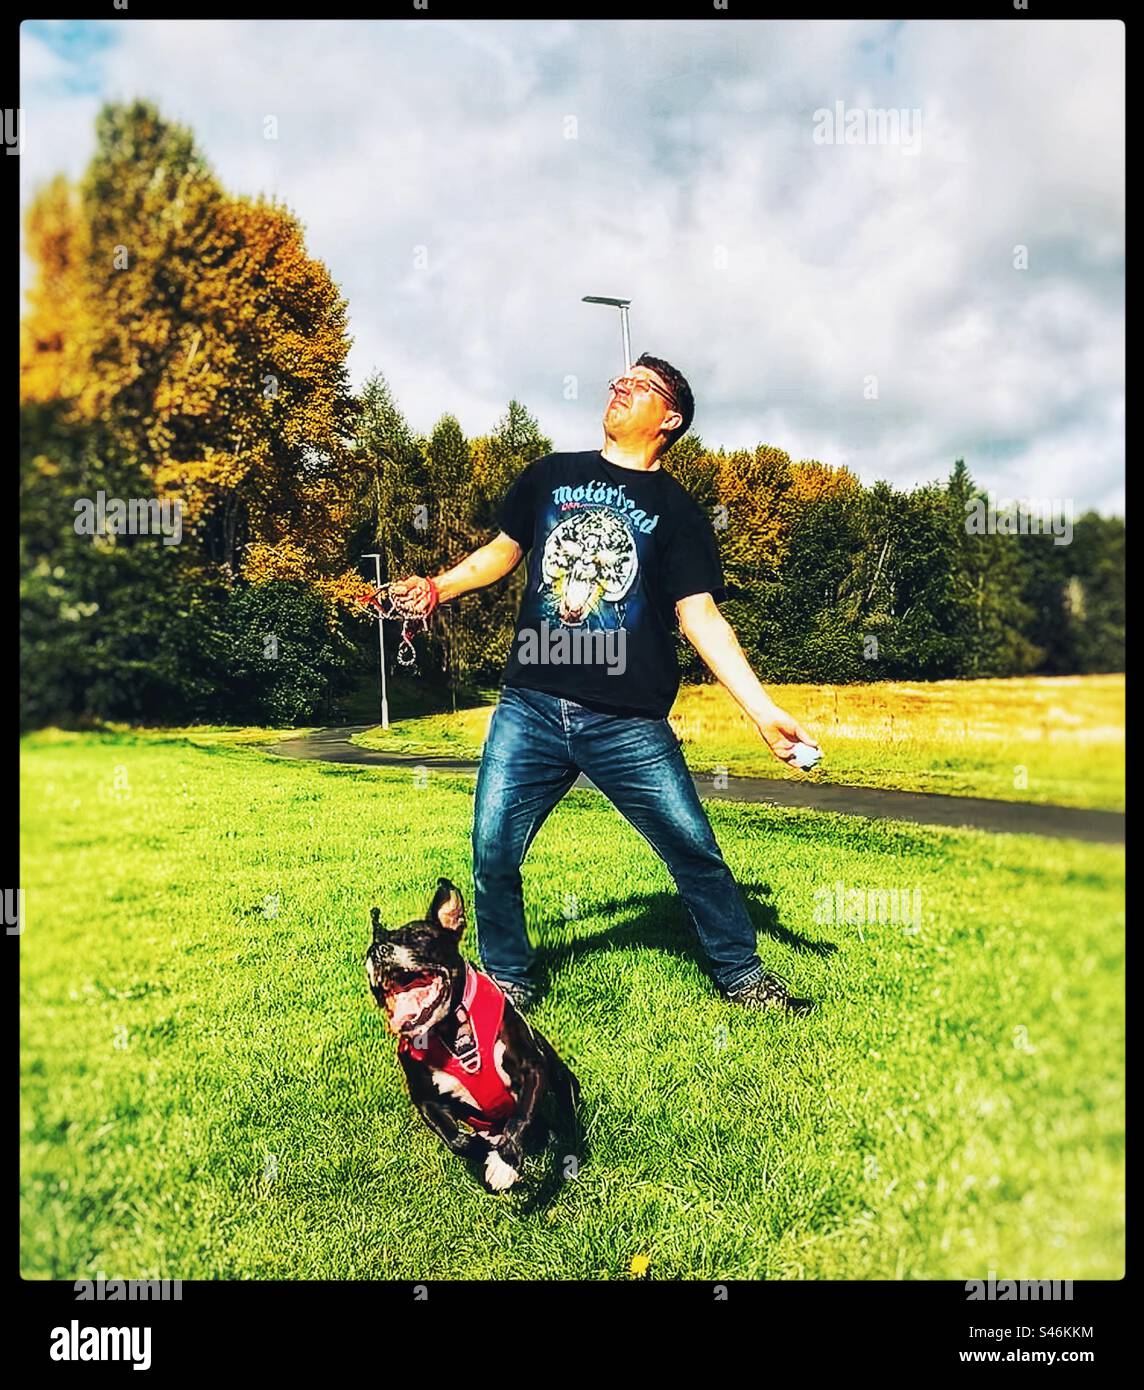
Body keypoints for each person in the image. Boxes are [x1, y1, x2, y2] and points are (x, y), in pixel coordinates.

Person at [392, 354, 820, 1014]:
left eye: (640, 387)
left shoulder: (677, 513)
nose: (620, 387)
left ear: (670, 418)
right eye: (619, 380)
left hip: (627, 719)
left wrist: (762, 711)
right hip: (529, 704)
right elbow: (504, 553)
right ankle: (508, 978)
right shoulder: (550, 476)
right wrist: (437, 588)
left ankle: (742, 977)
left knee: (694, 850)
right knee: (492, 850)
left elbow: (698, 615)